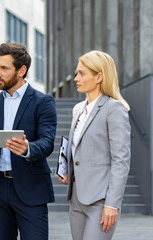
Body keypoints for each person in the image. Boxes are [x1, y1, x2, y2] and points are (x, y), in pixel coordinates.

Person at [0, 43, 57, 240]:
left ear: (22, 71)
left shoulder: (42, 101)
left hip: (31, 188)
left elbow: (47, 142)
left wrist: (28, 148)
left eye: (4, 68)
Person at [58, 50, 131, 240]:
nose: (76, 78)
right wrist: (67, 169)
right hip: (76, 198)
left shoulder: (114, 109)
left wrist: (112, 204)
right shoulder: (78, 109)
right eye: (77, 73)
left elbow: (120, 160)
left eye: (82, 73)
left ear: (99, 76)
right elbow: (78, 148)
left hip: (101, 201)